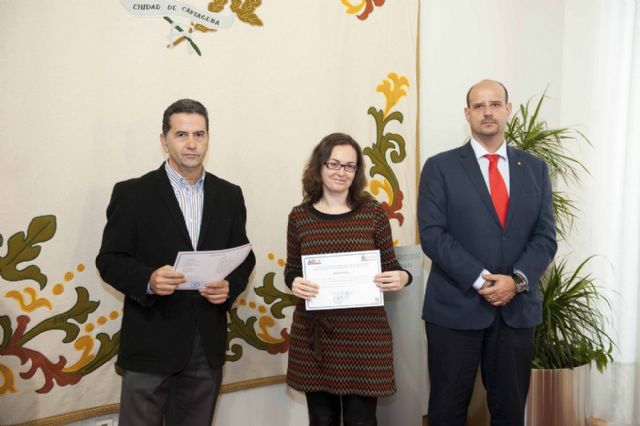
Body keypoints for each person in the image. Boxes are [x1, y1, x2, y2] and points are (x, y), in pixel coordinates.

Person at [95, 99, 255, 426]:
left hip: (205, 343)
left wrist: (229, 287)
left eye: (199, 134)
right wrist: (148, 279)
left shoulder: (229, 194)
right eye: (181, 134)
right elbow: (109, 260)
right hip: (150, 339)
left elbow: (244, 256)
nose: (192, 143)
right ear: (163, 140)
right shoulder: (133, 194)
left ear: (209, 138)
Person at [418, 80, 558, 426]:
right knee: (447, 411)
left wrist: (518, 281)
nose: (487, 112)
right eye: (479, 106)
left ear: (508, 110)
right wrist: (481, 280)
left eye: (495, 104)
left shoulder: (535, 169)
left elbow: (545, 237)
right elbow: (434, 236)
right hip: (454, 309)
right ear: (468, 114)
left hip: (517, 311)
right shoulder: (440, 167)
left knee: (510, 412)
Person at [284, 133, 412, 426]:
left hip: (364, 336)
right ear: (319, 167)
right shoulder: (299, 217)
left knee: (361, 421)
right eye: (334, 164)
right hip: (315, 337)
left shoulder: (373, 212)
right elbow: (292, 269)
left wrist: (402, 277)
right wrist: (293, 282)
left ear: (357, 172)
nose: (341, 172)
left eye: (349, 166)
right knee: (322, 419)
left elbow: (392, 265)